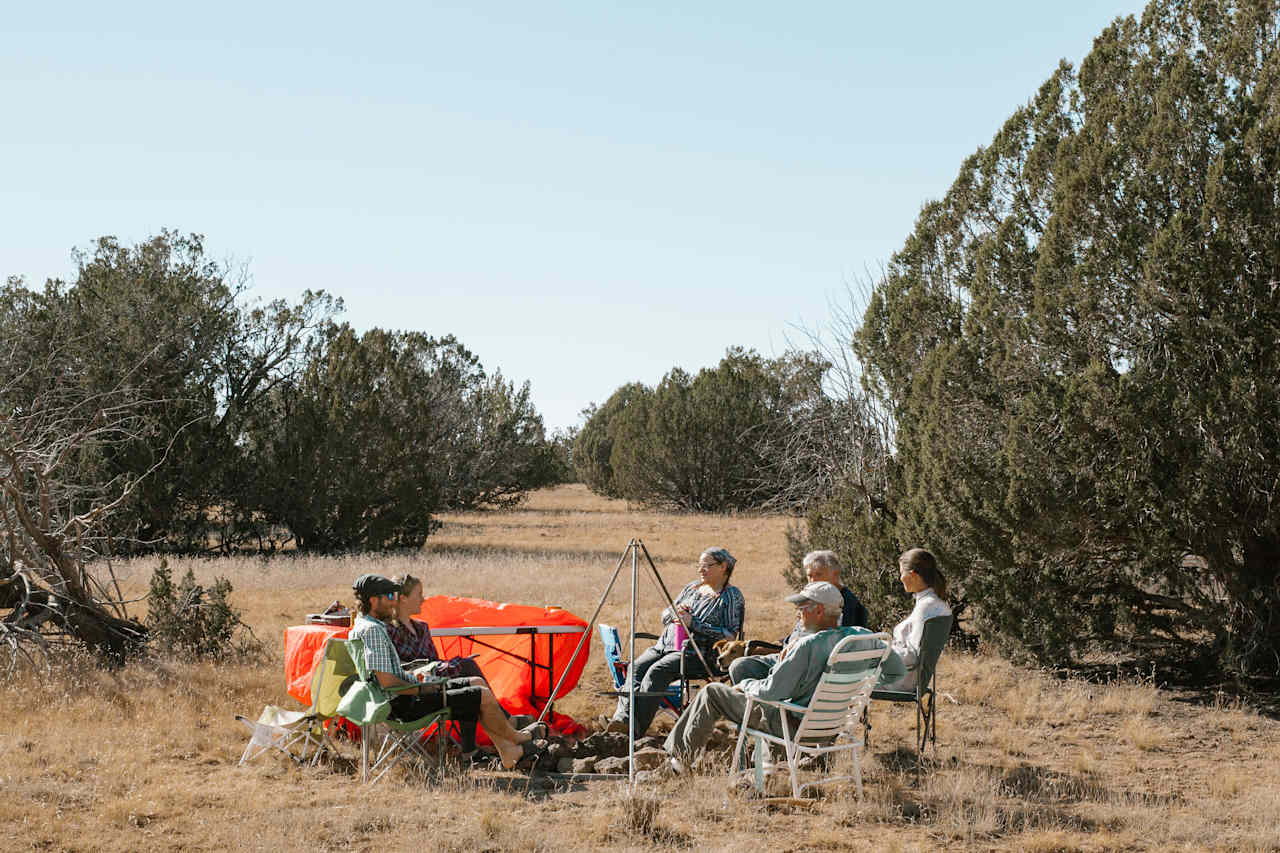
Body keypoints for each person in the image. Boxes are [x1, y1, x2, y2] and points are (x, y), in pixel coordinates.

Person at [663, 581, 884, 770]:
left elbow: (771, 692)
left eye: (802, 606)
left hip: (791, 727)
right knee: (743, 673)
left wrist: (746, 685)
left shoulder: (806, 645)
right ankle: (764, 763)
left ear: (819, 611)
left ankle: (676, 762)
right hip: (832, 726)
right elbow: (896, 672)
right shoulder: (863, 637)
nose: (798, 612)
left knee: (712, 692)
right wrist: (857, 685)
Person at [347, 574, 543, 770]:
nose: (393, 600)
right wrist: (423, 688)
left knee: (476, 682)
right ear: (374, 600)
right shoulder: (373, 631)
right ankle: (515, 736)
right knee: (479, 693)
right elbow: (388, 682)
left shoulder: (366, 626)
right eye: (389, 595)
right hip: (405, 704)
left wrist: (418, 679)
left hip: (408, 692)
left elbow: (391, 675)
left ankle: (507, 749)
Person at [606, 547, 746, 738]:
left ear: (723, 567)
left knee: (657, 671)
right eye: (699, 565)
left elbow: (730, 636)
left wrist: (693, 623)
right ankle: (622, 720)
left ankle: (634, 730)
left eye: (706, 566)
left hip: (697, 654)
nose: (700, 570)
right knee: (636, 667)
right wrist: (675, 612)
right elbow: (666, 613)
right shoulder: (692, 588)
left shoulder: (730, 596)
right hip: (664, 645)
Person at [386, 573, 501, 759]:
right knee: (467, 671)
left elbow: (435, 663)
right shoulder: (389, 631)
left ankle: (479, 747)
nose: (423, 599)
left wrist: (450, 666)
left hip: (435, 682)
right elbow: (405, 669)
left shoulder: (422, 628)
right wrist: (453, 666)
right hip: (416, 692)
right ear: (404, 599)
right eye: (419, 594)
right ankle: (503, 728)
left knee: (467, 676)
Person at [727, 549, 869, 686]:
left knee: (742, 667)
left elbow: (835, 643)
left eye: (818, 574)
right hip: (788, 654)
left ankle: (768, 707)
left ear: (835, 575)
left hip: (807, 665)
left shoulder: (847, 605)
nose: (812, 581)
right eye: (809, 576)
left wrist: (795, 647)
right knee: (740, 665)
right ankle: (754, 708)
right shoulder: (814, 598)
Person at [881, 548, 951, 692]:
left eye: (901, 573)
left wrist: (880, 649)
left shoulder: (926, 607)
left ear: (912, 575)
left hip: (901, 681)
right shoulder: (935, 605)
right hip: (911, 679)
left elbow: (912, 657)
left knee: (851, 680)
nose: (900, 578)